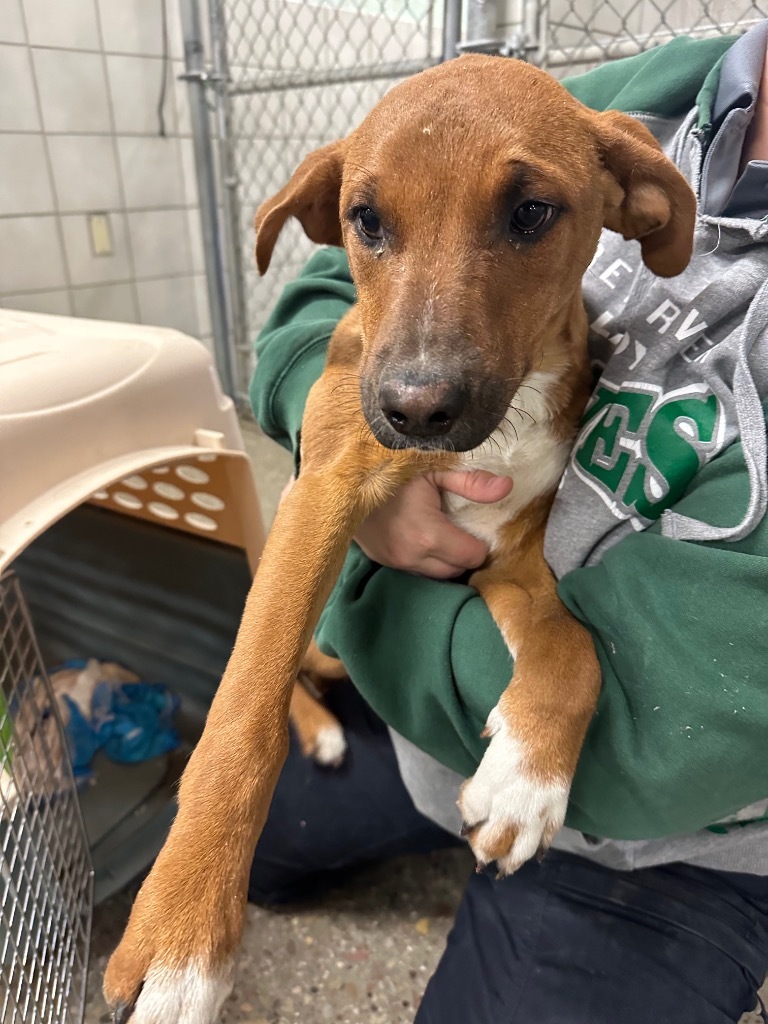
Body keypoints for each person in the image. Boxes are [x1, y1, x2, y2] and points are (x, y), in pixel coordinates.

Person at [247, 22, 768, 1023]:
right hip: (450, 681)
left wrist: (352, 585)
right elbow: (317, 303)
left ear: (644, 210)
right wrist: (343, 447)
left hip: (673, 836)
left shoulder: (591, 156)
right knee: (270, 854)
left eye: (528, 216)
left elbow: (680, 738)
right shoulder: (627, 100)